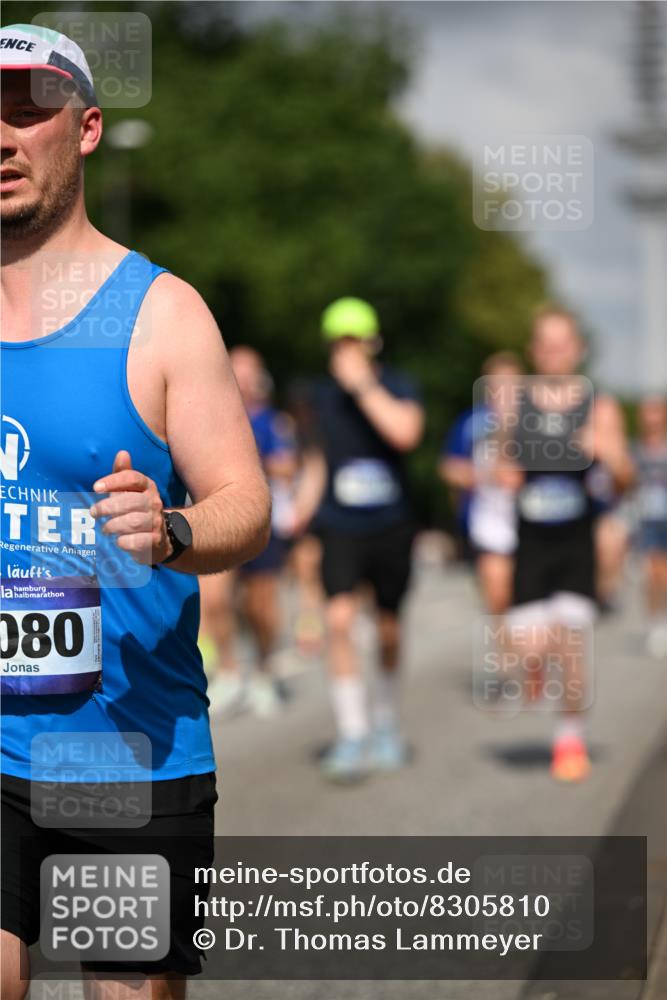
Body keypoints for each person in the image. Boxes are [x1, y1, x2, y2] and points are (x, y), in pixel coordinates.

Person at [1, 26, 270, 1000]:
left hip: (128, 747)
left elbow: (247, 503)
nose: (3, 134)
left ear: (87, 129)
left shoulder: (159, 312)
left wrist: (175, 532)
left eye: (30, 109)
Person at [293, 297, 424, 781]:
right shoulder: (319, 397)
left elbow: (406, 434)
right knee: (340, 621)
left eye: (353, 342)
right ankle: (352, 733)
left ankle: (386, 724)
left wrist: (364, 387)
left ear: (371, 344)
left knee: (388, 628)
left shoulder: (397, 385)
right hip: (340, 524)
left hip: (391, 524)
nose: (344, 351)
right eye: (337, 343)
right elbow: (317, 461)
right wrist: (300, 512)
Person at [504, 307, 634, 782]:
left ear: (578, 349)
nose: (556, 352)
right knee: (528, 650)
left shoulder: (600, 407)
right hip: (530, 542)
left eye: (564, 343)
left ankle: (569, 740)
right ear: (534, 351)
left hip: (578, 542)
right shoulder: (516, 403)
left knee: (571, 645)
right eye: (547, 344)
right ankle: (537, 669)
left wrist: (607, 454)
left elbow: (625, 479)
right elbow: (501, 470)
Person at [199, 346, 298, 715]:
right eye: (234, 370)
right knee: (216, 601)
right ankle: (229, 671)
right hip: (219, 518)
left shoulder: (272, 421)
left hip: (261, 521)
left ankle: (264, 671)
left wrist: (245, 468)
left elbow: (288, 467)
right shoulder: (210, 417)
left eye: (247, 372)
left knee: (260, 605)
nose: (241, 379)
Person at [439, 352, 523, 615]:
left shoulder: (536, 421)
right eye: (498, 384)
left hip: (530, 523)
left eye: (511, 384)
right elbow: (448, 467)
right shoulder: (470, 423)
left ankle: (529, 654)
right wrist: (483, 476)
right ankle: (509, 654)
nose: (505, 391)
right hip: (487, 522)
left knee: (527, 604)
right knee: (498, 598)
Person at [633, 396, 667, 658]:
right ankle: (655, 620)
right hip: (646, 518)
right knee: (651, 572)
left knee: (663, 573)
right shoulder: (635, 448)